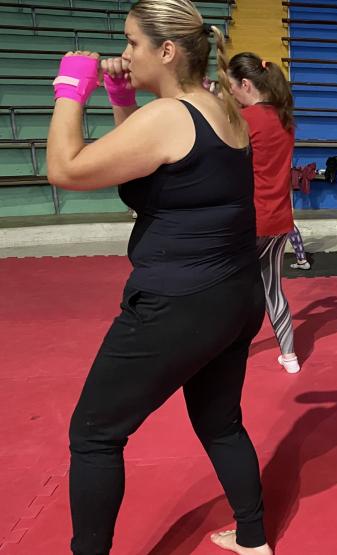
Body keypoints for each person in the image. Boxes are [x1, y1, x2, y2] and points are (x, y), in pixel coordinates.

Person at [46, 1, 272, 553]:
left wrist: (72, 87)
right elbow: (147, 175)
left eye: (132, 43)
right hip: (236, 295)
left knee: (94, 434)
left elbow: (65, 169)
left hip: (180, 302)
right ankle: (253, 538)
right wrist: (122, 98)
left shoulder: (169, 117)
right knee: (220, 423)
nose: (124, 55)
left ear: (167, 51)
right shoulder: (218, 106)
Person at [227, 51, 301, 373]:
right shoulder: (286, 120)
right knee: (273, 289)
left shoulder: (246, 120)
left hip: (248, 221)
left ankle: (227, 352)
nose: (231, 92)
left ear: (246, 84)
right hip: (280, 220)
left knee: (231, 290)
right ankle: (290, 356)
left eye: (232, 86)